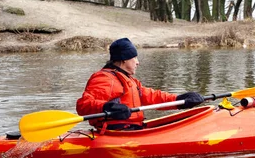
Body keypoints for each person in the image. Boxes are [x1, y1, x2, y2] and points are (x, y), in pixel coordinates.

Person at [76, 37, 204, 130]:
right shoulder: (105, 78)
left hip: (133, 129)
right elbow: (83, 105)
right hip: (117, 133)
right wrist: (106, 107)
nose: (138, 62)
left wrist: (179, 100)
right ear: (124, 59)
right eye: (135, 58)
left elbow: (153, 97)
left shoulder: (130, 80)